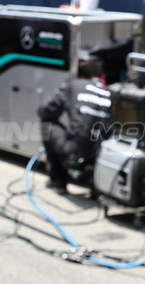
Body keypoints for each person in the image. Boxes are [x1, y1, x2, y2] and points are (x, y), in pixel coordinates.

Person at [37, 60, 112, 193]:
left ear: (82, 76)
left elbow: (46, 110)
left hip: (75, 154)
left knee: (46, 124)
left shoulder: (74, 85)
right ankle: (96, 188)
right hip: (103, 157)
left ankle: (57, 182)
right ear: (102, 77)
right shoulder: (112, 92)